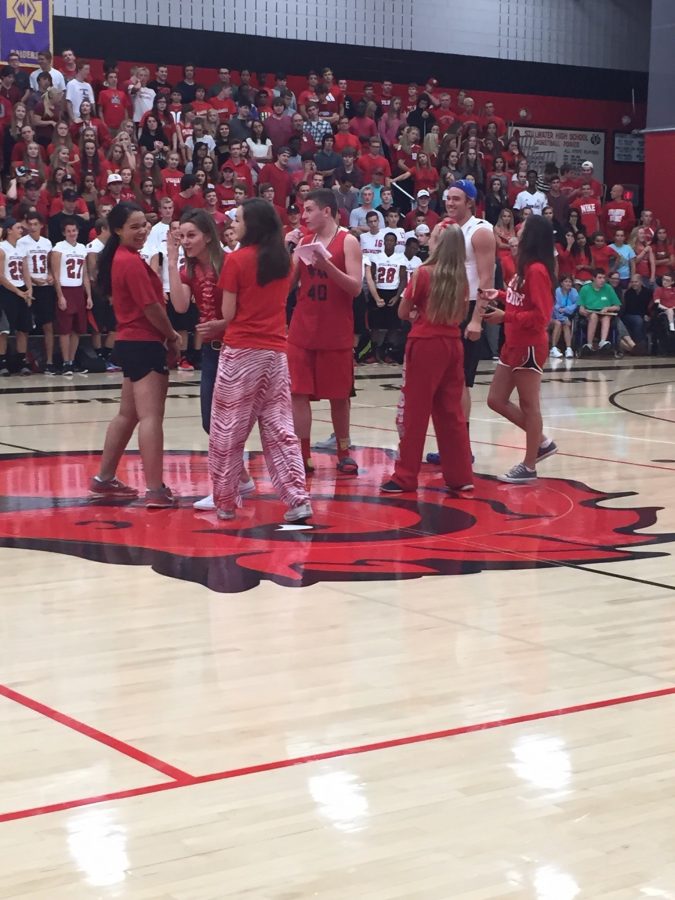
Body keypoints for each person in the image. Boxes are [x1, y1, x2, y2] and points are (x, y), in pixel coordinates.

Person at [209, 198, 312, 522]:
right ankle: (298, 499)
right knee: (280, 429)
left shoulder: (236, 261)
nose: (232, 224)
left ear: (252, 225)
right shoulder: (285, 262)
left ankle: (225, 501)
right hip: (275, 354)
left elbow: (227, 314)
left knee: (228, 430)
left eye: (237, 219)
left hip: (241, 353)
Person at [90, 202, 181, 507]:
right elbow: (151, 308)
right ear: (117, 230)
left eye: (144, 225)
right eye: (134, 226)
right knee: (151, 417)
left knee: (127, 415)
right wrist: (171, 336)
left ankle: (103, 479)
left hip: (130, 342)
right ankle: (155, 490)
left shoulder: (121, 257)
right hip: (143, 342)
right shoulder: (128, 261)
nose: (142, 231)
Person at [166, 208, 254, 509]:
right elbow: (178, 306)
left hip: (235, 349)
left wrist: (221, 325)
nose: (186, 241)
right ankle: (241, 478)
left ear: (207, 236)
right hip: (210, 352)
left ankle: (227, 488)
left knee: (225, 422)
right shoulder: (189, 269)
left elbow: (247, 312)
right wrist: (170, 255)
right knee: (210, 421)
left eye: (192, 235)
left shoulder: (229, 262)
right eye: (183, 236)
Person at [381, 223, 473, 493]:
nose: (428, 242)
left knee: (415, 413)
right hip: (453, 344)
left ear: (439, 244)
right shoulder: (461, 278)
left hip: (425, 343)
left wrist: (416, 315)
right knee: (451, 412)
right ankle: (461, 476)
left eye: (432, 237)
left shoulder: (423, 273)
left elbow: (402, 311)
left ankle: (405, 476)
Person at [288, 188, 362, 474]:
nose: (303, 216)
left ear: (326, 211)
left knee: (339, 395)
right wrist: (289, 251)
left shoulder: (348, 241)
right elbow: (286, 287)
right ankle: (302, 454)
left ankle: (344, 451)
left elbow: (355, 287)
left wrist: (327, 265)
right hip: (302, 329)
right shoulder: (305, 241)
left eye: (308, 210)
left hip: (336, 330)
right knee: (298, 394)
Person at [483, 215, 558, 483]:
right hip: (512, 343)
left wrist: (506, 316)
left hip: (529, 345)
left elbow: (541, 317)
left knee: (530, 405)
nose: (517, 230)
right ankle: (541, 441)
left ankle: (529, 466)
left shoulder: (537, 270)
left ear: (532, 235)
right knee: (495, 399)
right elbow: (520, 301)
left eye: (522, 228)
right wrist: (500, 295)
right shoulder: (524, 267)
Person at [51, 217, 92, 375]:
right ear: (63, 233)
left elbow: (85, 274)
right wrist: (60, 295)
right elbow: (55, 274)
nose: (71, 233)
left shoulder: (82, 248)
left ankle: (73, 360)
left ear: (78, 231)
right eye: (68, 231)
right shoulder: (58, 248)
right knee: (65, 329)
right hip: (66, 289)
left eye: (74, 230)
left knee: (77, 328)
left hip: (78, 290)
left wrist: (88, 296)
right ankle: (66, 362)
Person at [18, 213, 57, 373]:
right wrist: (32, 280)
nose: (33, 227)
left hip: (45, 287)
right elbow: (19, 267)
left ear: (41, 225)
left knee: (48, 325)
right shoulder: (21, 243)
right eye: (30, 224)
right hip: (28, 287)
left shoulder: (47, 242)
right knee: (25, 326)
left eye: (36, 224)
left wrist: (50, 275)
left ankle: (49, 361)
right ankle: (25, 361)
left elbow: (50, 264)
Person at [0, 218, 32, 376]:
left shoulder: (22, 247)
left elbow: (25, 270)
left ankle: (22, 361)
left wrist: (29, 289)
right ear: (9, 230)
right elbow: (0, 276)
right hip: (6, 291)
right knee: (4, 330)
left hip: (22, 289)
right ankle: (2, 363)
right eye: (18, 227)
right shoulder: (2, 248)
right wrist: (17, 291)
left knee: (23, 328)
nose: (21, 230)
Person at [577, 269, 622, 355]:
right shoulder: (585, 289)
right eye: (599, 278)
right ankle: (589, 344)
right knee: (593, 316)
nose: (602, 280)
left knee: (606, 317)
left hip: (605, 312)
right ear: (594, 278)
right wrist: (583, 311)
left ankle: (603, 342)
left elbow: (617, 306)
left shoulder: (608, 288)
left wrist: (608, 308)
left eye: (604, 278)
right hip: (590, 313)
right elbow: (581, 307)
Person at [550, 275, 578, 358]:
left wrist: (566, 309)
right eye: (566, 281)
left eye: (570, 282)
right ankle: (553, 348)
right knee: (558, 323)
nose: (568, 283)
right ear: (561, 283)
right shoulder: (557, 292)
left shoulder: (574, 291)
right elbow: (555, 308)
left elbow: (576, 304)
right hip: (554, 316)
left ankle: (568, 349)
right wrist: (563, 318)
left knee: (565, 325)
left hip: (566, 316)